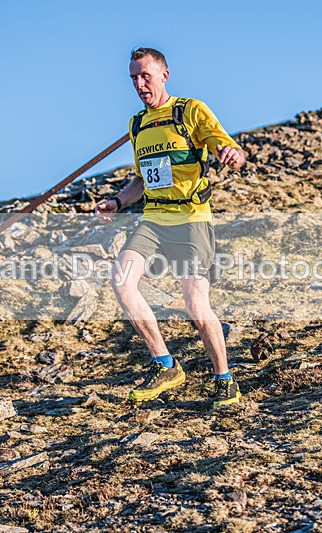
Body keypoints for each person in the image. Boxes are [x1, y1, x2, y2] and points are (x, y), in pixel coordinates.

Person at [94, 47, 247, 407]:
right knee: (121, 280)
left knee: (196, 306)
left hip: (191, 218)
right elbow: (141, 180)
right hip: (154, 218)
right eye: (133, 77)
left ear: (164, 75)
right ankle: (164, 364)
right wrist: (117, 202)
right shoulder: (138, 125)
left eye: (145, 75)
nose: (139, 83)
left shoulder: (189, 110)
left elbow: (229, 148)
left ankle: (224, 379)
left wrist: (233, 155)